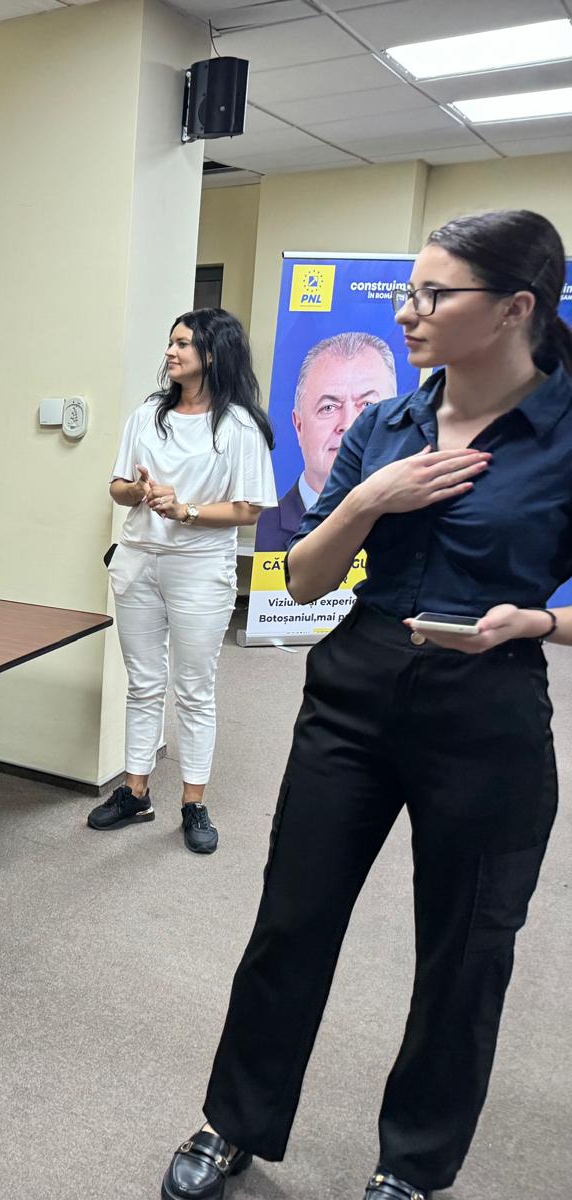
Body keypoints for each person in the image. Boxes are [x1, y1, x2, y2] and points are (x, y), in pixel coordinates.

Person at [161, 209, 572, 1200]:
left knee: (465, 953)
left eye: (433, 294)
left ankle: (412, 1166)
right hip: (356, 683)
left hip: (490, 700)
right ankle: (235, 1121)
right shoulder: (386, 423)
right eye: (409, 290)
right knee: (291, 919)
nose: (407, 311)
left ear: (514, 309)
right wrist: (367, 499)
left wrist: (538, 624)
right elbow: (303, 578)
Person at [93, 308, 275, 857]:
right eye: (170, 343)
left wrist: (185, 510)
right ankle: (135, 792)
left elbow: (248, 510)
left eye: (182, 344)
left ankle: (193, 802)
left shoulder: (240, 426)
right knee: (143, 682)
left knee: (194, 689)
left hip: (199, 568)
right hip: (139, 561)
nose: (170, 352)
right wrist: (138, 492)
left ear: (212, 354)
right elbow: (118, 487)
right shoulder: (147, 415)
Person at [255, 331, 398, 551]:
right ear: (299, 425)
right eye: (329, 407)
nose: (349, 424)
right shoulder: (266, 527)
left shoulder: (422, 525)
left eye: (368, 405)